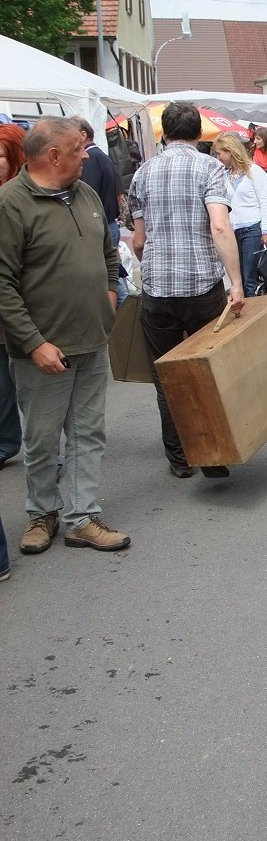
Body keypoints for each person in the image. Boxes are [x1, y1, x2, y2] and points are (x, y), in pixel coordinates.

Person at [0, 117, 131, 555]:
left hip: (91, 339)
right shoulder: (11, 204)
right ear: (53, 155)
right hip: (43, 349)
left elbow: (108, 253)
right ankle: (42, 512)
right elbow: (2, 283)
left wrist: (110, 296)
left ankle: (81, 517)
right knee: (41, 438)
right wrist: (34, 343)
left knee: (88, 433)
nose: (86, 155)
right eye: (78, 149)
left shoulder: (86, 194)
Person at [130, 102, 245, 480]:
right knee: (206, 371)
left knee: (167, 377)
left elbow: (140, 241)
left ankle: (178, 456)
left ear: (165, 132)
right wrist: (237, 283)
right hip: (201, 287)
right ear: (199, 134)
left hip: (159, 288)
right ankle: (211, 454)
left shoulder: (143, 172)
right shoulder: (209, 167)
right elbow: (220, 227)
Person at [213, 133, 267, 297]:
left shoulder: (254, 171)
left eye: (220, 153)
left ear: (230, 151)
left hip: (252, 228)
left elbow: (265, 201)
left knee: (249, 278)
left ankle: (252, 316)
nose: (218, 157)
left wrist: (266, 230)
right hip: (232, 230)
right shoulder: (223, 175)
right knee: (237, 277)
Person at [73, 117, 127, 306]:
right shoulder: (101, 155)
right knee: (114, 274)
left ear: (83, 134)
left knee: (112, 278)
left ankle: (126, 316)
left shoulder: (92, 158)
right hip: (109, 222)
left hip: (101, 225)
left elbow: (88, 195)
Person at [0, 123, 25, 470]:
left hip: (23, 308)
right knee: (3, 385)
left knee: (33, 388)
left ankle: (47, 453)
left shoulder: (20, 199)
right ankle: (6, 442)